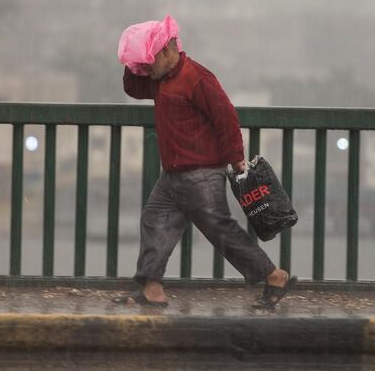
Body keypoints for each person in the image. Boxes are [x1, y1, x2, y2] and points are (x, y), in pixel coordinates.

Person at [112, 16, 294, 308]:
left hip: (202, 173)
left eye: (148, 63)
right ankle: (152, 288)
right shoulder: (161, 80)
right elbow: (133, 89)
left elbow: (226, 118)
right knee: (154, 221)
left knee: (220, 230)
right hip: (173, 174)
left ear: (167, 51)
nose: (147, 69)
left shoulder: (197, 78)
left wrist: (237, 161)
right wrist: (132, 64)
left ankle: (274, 275)